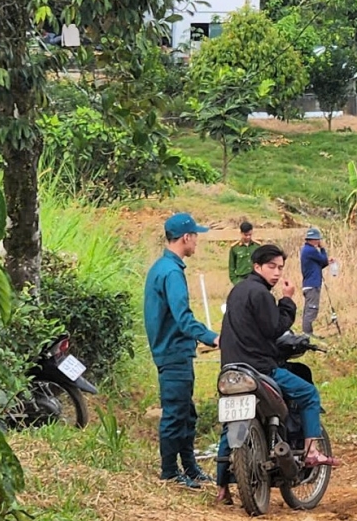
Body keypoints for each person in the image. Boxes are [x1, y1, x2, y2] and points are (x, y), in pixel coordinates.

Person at [215, 243, 339, 504]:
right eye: (271, 266)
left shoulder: (236, 292)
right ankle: (311, 450)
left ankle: (221, 487)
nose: (276, 272)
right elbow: (275, 328)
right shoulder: (261, 294)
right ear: (257, 267)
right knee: (308, 394)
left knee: (232, 420)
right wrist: (287, 300)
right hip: (260, 368)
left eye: (280, 267)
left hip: (231, 369)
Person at [143, 213, 218, 487]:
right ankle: (170, 472)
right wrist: (211, 337)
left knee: (187, 412)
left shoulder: (161, 267)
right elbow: (182, 317)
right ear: (186, 237)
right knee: (175, 413)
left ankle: (190, 467)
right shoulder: (172, 272)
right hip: (173, 351)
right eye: (195, 235)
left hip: (172, 350)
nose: (197, 241)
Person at [299, 228, 330, 335]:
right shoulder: (310, 250)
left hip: (309, 283)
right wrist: (323, 249)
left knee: (308, 308)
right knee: (312, 308)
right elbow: (324, 260)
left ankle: (307, 332)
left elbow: (322, 264)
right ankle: (307, 333)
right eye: (317, 240)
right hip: (312, 284)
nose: (318, 242)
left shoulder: (306, 250)